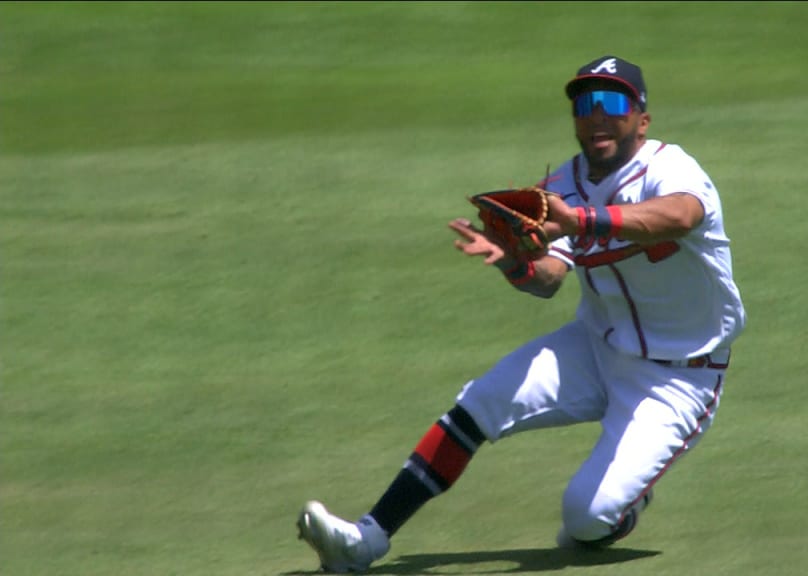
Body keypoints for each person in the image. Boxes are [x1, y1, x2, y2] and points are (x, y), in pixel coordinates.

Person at [296, 55, 747, 573]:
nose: (597, 115)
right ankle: (366, 539)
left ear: (641, 118)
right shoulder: (560, 187)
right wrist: (513, 263)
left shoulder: (671, 169)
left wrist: (579, 221)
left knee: (585, 520)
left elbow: (677, 217)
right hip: (595, 345)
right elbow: (549, 280)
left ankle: (625, 505)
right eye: (585, 103)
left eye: (613, 102)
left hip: (679, 378)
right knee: (481, 400)